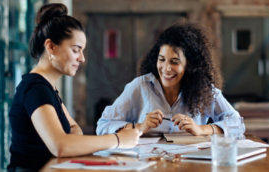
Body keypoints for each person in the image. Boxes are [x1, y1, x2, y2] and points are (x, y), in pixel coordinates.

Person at [7, 3, 140, 171]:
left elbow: (74, 128)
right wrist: (118, 139)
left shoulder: (48, 87)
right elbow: (61, 146)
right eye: (76, 50)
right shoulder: (35, 87)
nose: (82, 59)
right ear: (51, 46)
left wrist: (70, 142)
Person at [96, 22, 244, 136]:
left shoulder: (204, 90)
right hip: (148, 162)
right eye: (162, 60)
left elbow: (237, 124)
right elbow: (103, 125)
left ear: (190, 65)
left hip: (190, 163)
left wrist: (201, 129)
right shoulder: (140, 86)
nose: (166, 68)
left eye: (174, 62)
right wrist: (140, 127)